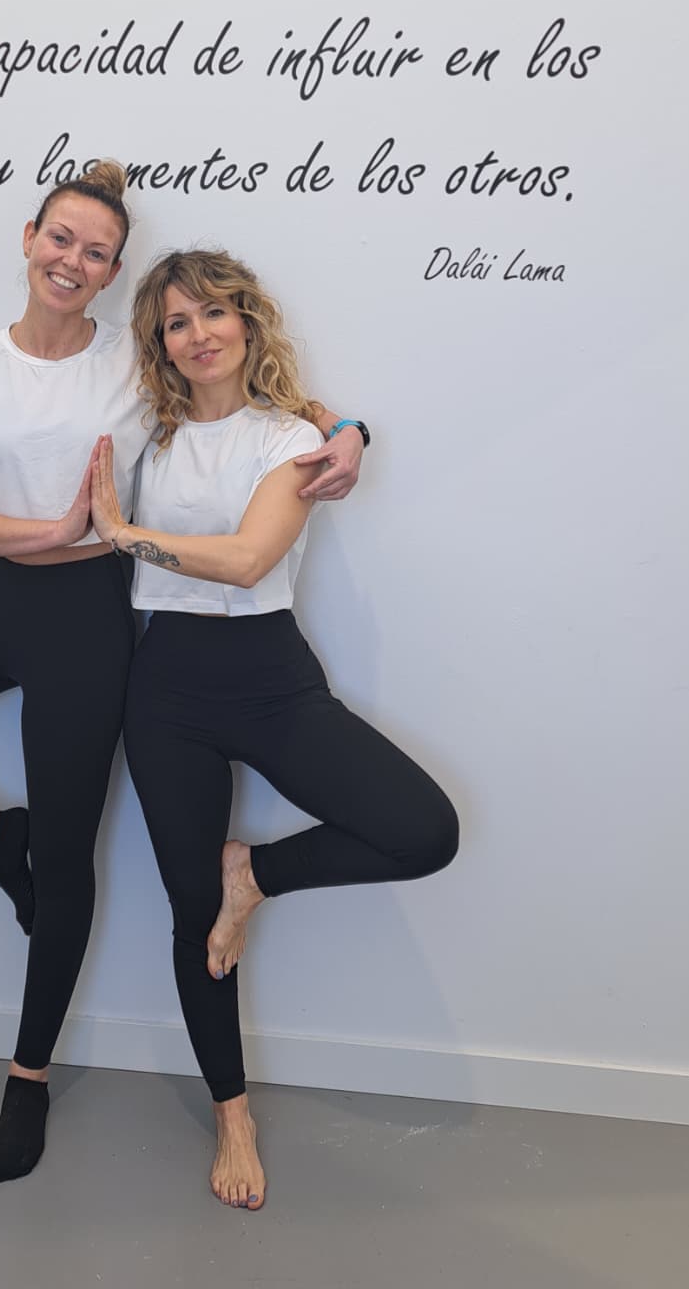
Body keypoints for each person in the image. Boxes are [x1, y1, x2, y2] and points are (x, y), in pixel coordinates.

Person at [0, 167, 366, 1185]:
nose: (72, 261)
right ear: (28, 237)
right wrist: (31, 535)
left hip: (90, 631)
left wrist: (349, 430)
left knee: (67, 863)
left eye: (95, 252)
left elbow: (263, 396)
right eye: (60, 239)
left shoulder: (135, 363)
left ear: (111, 271)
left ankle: (27, 1076)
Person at [88, 248, 459, 1212]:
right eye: (175, 322)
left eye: (213, 313)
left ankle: (252, 873)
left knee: (422, 831)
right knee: (190, 917)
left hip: (269, 680)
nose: (198, 334)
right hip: (164, 689)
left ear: (246, 322)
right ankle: (232, 1114)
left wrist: (125, 535)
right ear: (159, 344)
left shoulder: (288, 436)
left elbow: (250, 559)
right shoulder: (145, 432)